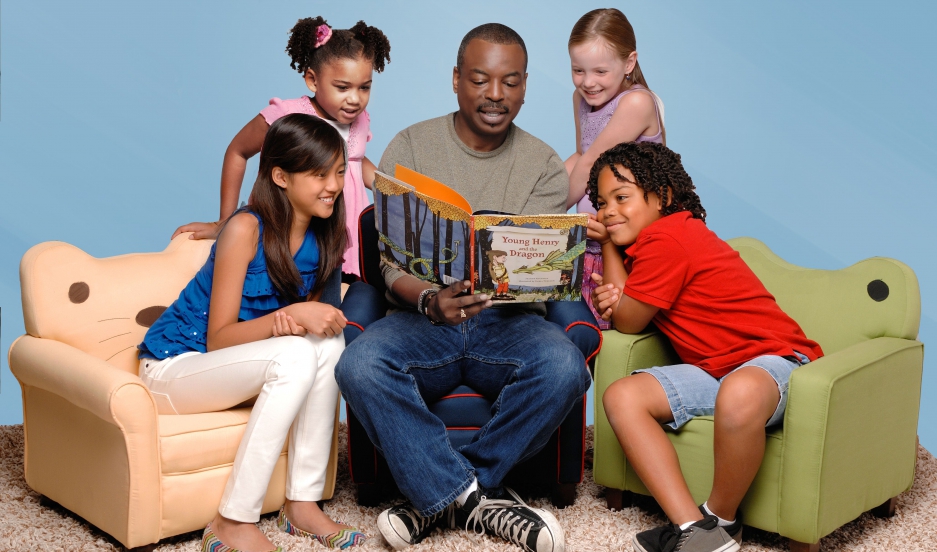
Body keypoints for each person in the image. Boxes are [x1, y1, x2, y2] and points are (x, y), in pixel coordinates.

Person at [334, 23, 592, 552]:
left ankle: (447, 493)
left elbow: (544, 269)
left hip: (510, 324)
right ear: (456, 80)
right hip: (421, 320)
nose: (495, 95)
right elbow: (386, 263)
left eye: (510, 82)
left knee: (566, 367)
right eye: (479, 79)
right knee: (357, 365)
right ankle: (478, 500)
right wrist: (428, 298)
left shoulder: (544, 165)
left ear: (523, 87)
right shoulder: (411, 145)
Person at [139, 114, 366, 552]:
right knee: (296, 354)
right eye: (318, 174)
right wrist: (289, 318)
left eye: (338, 172)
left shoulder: (326, 234)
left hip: (233, 368)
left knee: (328, 343)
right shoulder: (245, 229)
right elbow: (219, 338)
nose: (334, 185)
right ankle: (230, 521)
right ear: (280, 176)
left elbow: (313, 326)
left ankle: (302, 504)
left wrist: (303, 320)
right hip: (173, 368)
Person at [586, 142, 824, 552]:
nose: (608, 211)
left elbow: (626, 316)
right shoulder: (646, 247)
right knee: (622, 396)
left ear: (662, 197)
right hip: (714, 371)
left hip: (777, 361)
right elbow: (624, 312)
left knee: (741, 391)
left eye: (621, 198)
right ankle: (693, 528)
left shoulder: (669, 238)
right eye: (602, 202)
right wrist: (611, 250)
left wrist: (617, 284)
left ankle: (720, 521)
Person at [172, 16, 391, 279]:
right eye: (342, 88)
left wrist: (391, 187)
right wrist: (224, 221)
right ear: (312, 80)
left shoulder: (359, 120)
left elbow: (355, 161)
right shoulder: (287, 115)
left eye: (364, 88)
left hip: (340, 236)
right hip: (287, 232)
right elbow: (238, 151)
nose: (355, 99)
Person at [564, 8, 665, 330]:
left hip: (626, 244)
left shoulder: (636, 103)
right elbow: (579, 156)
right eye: (578, 70)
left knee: (600, 321)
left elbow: (593, 161)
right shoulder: (580, 100)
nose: (588, 82)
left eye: (600, 72)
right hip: (590, 239)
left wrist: (545, 215)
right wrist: (530, 214)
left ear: (629, 63)